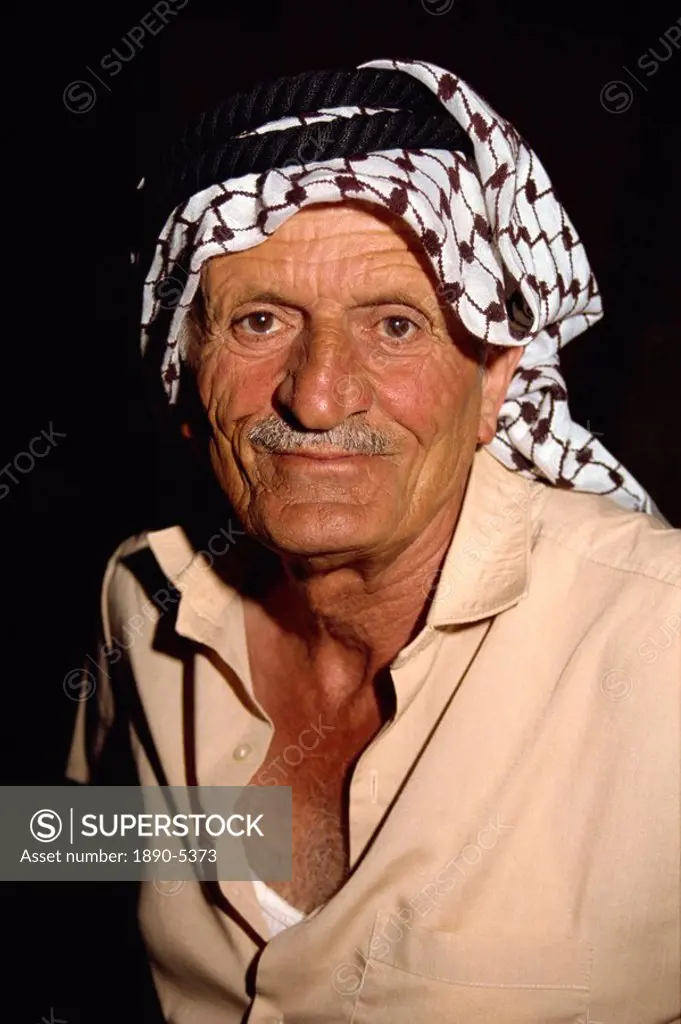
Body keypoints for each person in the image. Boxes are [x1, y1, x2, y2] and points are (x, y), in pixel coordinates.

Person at [67, 59, 680, 1023]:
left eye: (395, 326)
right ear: (185, 382)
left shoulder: (659, 641)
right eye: (259, 321)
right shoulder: (145, 598)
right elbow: (92, 858)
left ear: (492, 385)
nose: (316, 396)